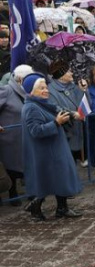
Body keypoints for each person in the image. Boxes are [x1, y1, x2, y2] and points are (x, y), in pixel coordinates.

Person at [20, 73, 83, 221]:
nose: (46, 90)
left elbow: (57, 109)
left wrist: (72, 114)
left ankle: (62, 208)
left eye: (45, 87)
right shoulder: (31, 108)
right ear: (31, 91)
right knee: (49, 179)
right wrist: (56, 123)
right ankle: (36, 207)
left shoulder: (43, 103)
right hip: (46, 151)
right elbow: (36, 131)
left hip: (53, 148)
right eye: (41, 88)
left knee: (60, 177)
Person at [0, 65, 33, 204]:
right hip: (9, 137)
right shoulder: (6, 90)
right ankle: (12, 193)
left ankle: (33, 192)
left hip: (26, 135)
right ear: (20, 78)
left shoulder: (30, 90)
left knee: (28, 163)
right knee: (10, 166)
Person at [47, 61, 85, 166]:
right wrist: (72, 114)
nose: (72, 73)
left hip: (77, 129)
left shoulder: (73, 86)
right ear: (61, 75)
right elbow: (55, 108)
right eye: (69, 71)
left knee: (73, 162)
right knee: (65, 163)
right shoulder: (50, 90)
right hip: (64, 131)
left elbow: (83, 104)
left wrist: (83, 90)